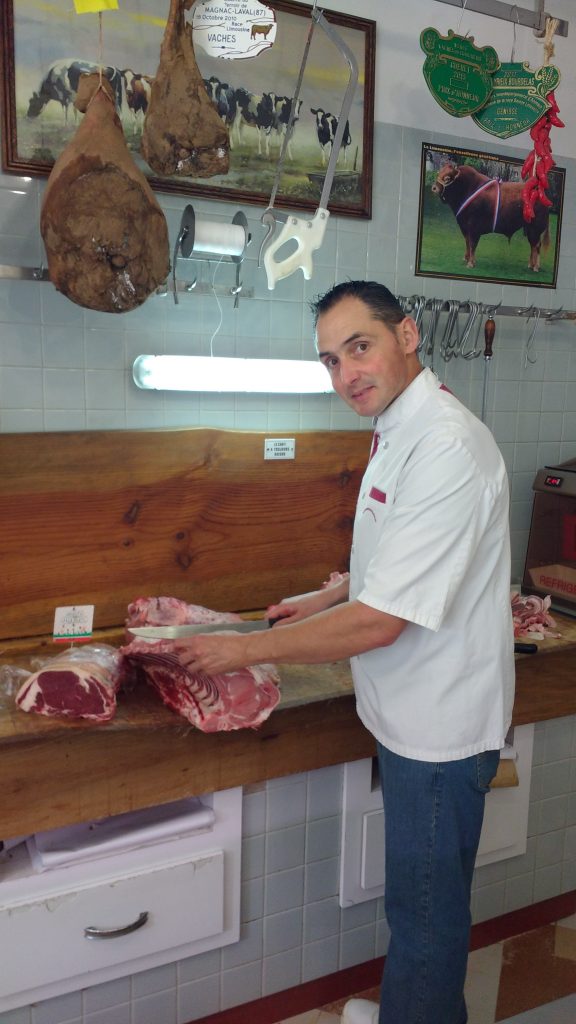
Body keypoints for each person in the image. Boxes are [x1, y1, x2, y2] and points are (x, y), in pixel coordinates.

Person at [184, 280, 515, 1024]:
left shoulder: (448, 446)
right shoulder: (398, 426)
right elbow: (395, 565)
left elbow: (382, 624)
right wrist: (327, 596)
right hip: (406, 715)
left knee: (426, 925)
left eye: (358, 348)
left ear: (408, 335)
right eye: (330, 361)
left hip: (440, 731)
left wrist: (243, 652)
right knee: (418, 907)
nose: (345, 375)